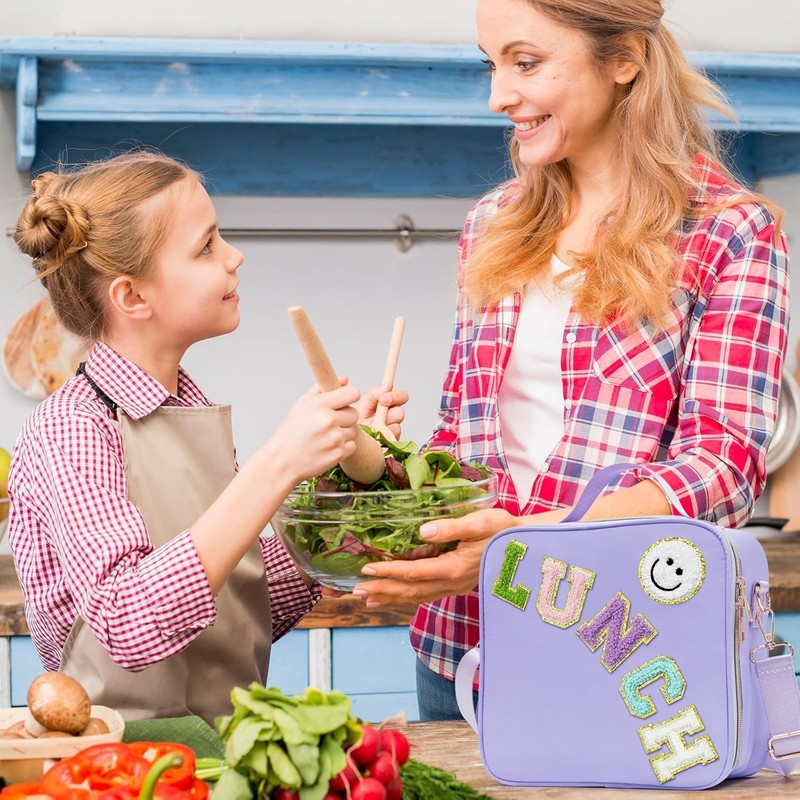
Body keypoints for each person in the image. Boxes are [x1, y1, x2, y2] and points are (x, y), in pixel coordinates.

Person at [353, 0, 791, 720]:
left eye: (525, 63)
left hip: (628, 649)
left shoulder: (727, 232)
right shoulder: (493, 222)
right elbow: (465, 441)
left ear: (624, 60)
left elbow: (723, 468)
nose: (498, 95)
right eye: (492, 65)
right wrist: (389, 468)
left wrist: (519, 549)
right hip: (466, 646)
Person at [7, 151, 407, 724]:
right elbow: (126, 625)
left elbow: (251, 601)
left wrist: (345, 472)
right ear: (133, 297)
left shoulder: (189, 407)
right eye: (207, 246)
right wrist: (278, 464)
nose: (234, 256)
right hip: (119, 765)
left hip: (228, 751)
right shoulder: (72, 428)